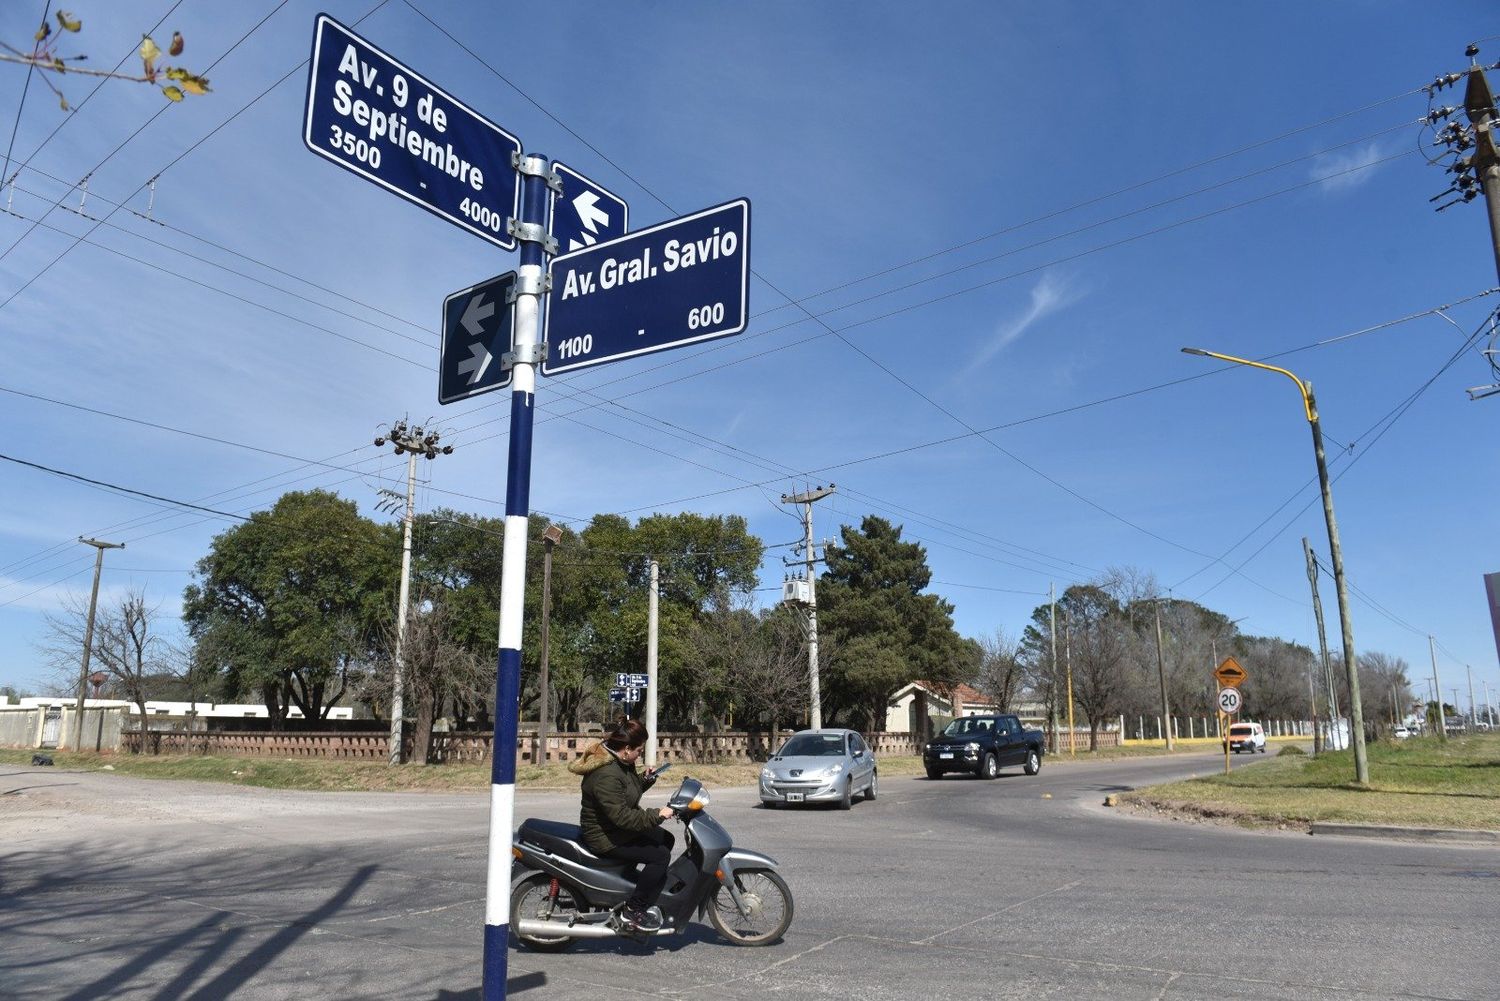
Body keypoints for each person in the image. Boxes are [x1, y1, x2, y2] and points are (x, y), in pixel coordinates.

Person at [569, 718, 674, 931]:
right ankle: (632, 910)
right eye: (639, 750)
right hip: (605, 836)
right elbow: (622, 816)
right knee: (660, 855)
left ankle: (630, 887)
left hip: (615, 829)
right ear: (626, 749)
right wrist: (658, 815)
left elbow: (625, 793)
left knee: (666, 839)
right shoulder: (605, 774)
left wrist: (645, 780)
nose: (640, 755)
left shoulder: (620, 762)